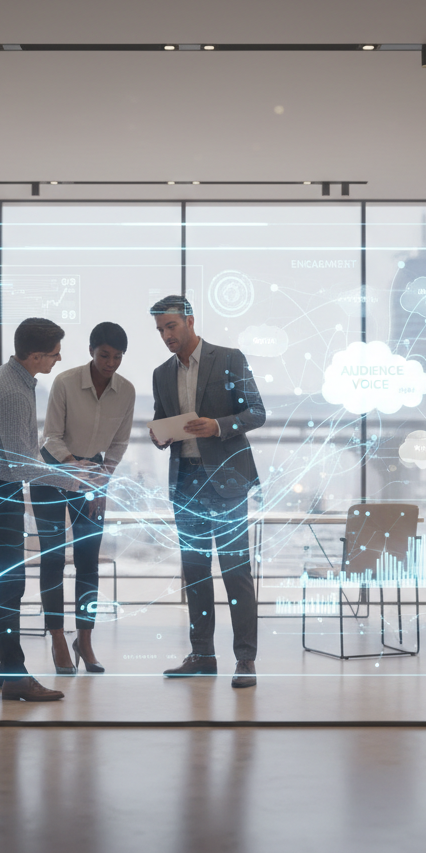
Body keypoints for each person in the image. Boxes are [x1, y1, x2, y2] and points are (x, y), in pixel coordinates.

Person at [0, 317, 104, 702]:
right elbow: (22, 465)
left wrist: (66, 469)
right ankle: (15, 676)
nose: (60, 359)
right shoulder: (12, 392)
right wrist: (73, 479)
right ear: (37, 355)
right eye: (55, 352)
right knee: (9, 587)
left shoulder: (13, 380)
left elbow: (22, 458)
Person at [149, 294, 266, 688]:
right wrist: (158, 436)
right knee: (196, 575)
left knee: (236, 573)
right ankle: (202, 655)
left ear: (190, 321)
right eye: (161, 330)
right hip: (187, 483)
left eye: (172, 327)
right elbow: (159, 420)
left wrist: (218, 425)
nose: (167, 335)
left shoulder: (229, 358)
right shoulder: (161, 374)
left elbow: (256, 412)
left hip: (228, 483)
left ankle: (245, 660)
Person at [31, 322, 136, 675]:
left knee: (89, 560)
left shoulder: (127, 392)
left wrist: (102, 477)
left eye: (117, 357)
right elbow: (51, 437)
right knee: (53, 559)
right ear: (92, 350)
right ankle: (58, 636)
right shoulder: (65, 382)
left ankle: (85, 639)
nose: (111, 363)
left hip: (92, 475)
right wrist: (74, 466)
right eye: (105, 355)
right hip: (52, 472)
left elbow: (119, 443)